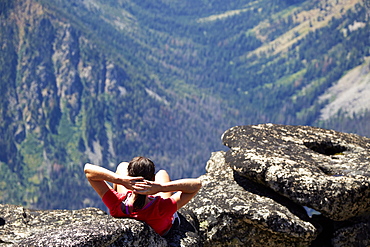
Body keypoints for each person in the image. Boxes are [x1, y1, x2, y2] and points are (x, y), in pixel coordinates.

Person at [84, 156, 202, 236]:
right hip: (159, 227)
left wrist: (120, 180)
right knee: (162, 173)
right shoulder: (162, 208)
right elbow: (196, 185)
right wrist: (161, 187)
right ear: (152, 179)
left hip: (124, 212)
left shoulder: (116, 203)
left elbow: (88, 170)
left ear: (129, 176)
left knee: (122, 166)